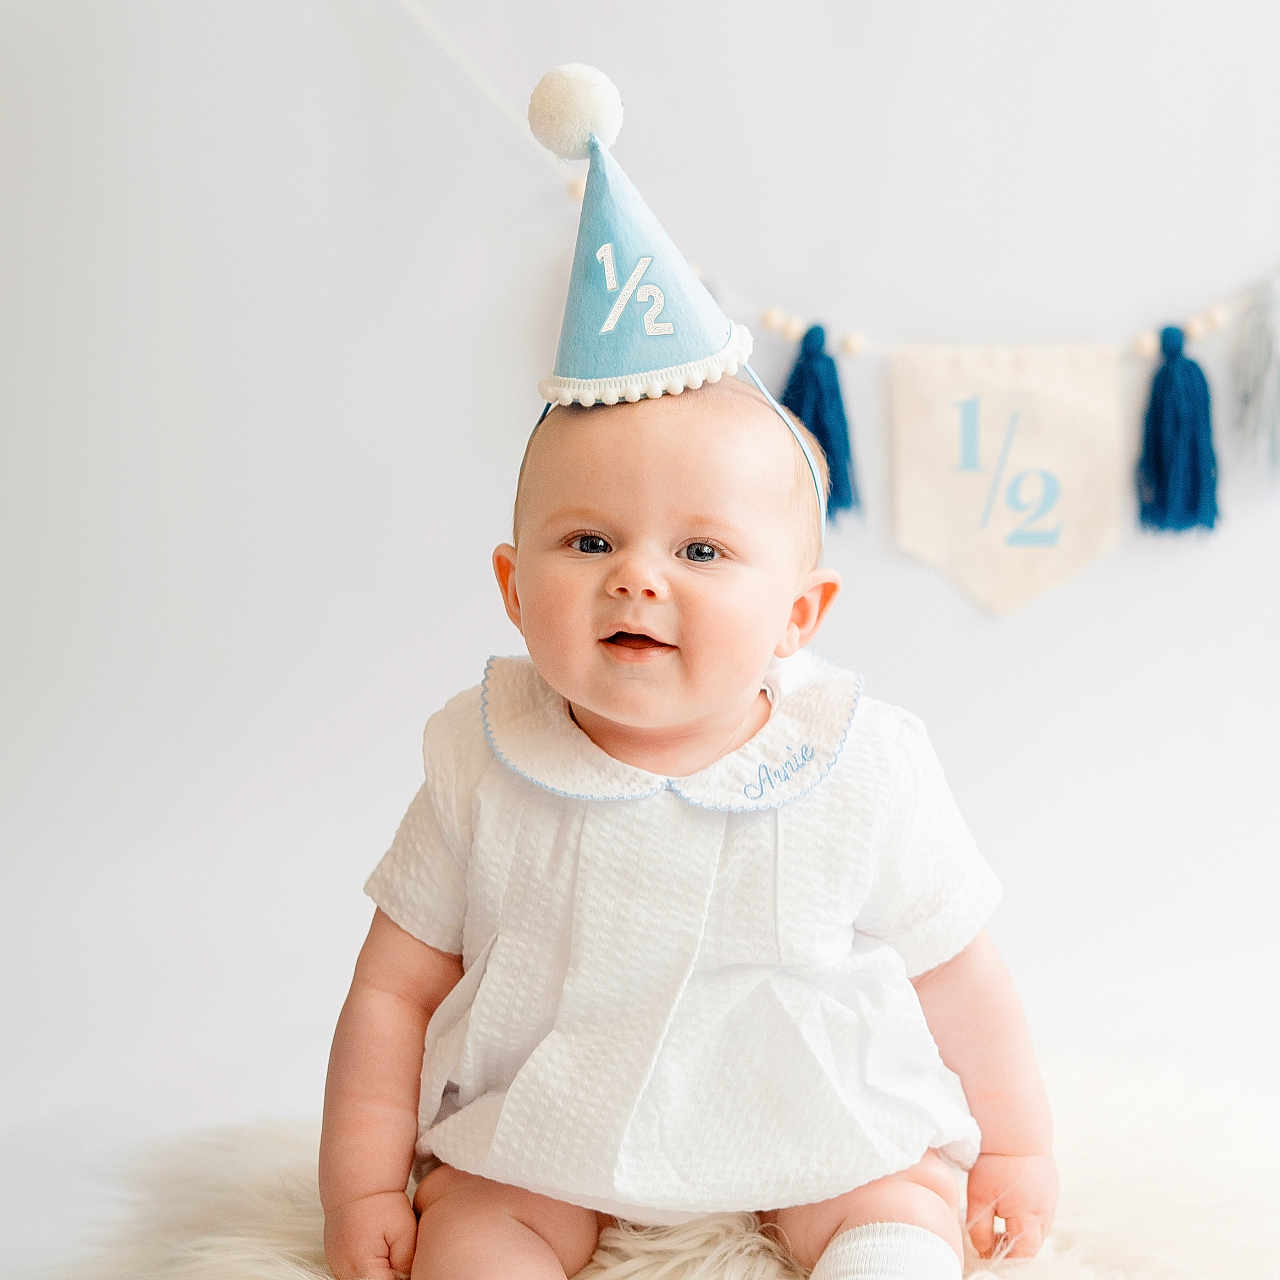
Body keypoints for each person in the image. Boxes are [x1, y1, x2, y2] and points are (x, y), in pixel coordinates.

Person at [319, 64, 1057, 1280]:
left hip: (814, 1111)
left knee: (886, 1215)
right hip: (543, 1126)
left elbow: (957, 964)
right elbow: (392, 992)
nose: (636, 578)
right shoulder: (480, 758)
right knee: (479, 1230)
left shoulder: (856, 765)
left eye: (702, 549)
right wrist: (357, 1183)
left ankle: (878, 1235)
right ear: (513, 588)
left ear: (796, 615)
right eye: (589, 541)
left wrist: (1016, 1149)